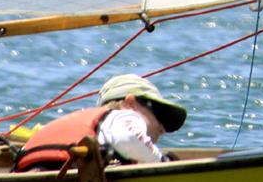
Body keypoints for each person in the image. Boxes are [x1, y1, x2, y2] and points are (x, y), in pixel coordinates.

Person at [15, 73, 187, 172]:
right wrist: (162, 162)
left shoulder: (93, 123)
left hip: (24, 179)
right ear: (131, 103)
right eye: (159, 113)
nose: (162, 129)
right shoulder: (124, 116)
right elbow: (128, 139)